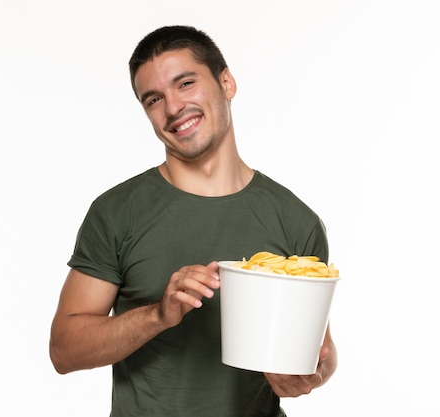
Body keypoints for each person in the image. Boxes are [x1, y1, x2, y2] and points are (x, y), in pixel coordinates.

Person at [49, 25, 337, 416]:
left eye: (185, 83)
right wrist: (157, 314)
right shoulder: (118, 212)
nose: (172, 108)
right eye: (154, 99)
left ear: (227, 82)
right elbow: (64, 350)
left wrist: (313, 374)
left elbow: (321, 347)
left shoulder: (295, 220)